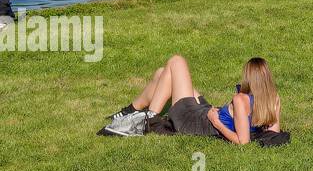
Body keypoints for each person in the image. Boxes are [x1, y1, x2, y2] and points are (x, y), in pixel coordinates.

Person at [102, 55, 281, 143]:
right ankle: (129, 111)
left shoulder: (242, 100)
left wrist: (217, 123)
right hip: (204, 113)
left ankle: (148, 119)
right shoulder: (273, 99)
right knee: (162, 74)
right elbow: (273, 133)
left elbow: (243, 142)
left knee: (176, 62)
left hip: (194, 121)